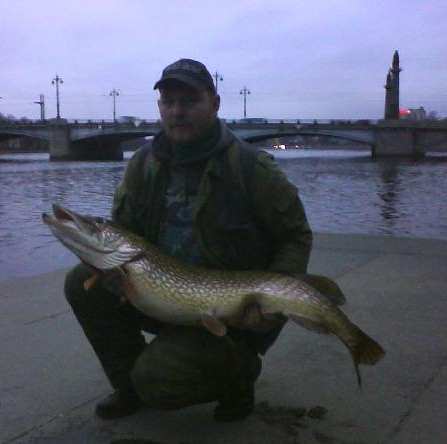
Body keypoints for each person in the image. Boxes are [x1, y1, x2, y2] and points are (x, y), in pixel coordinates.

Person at [64, 58, 312, 422]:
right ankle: (129, 386)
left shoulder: (250, 168)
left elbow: (295, 236)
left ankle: (240, 372)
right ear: (159, 106)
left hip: (231, 315)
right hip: (162, 296)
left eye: (190, 100)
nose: (177, 111)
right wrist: (107, 270)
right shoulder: (142, 165)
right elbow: (122, 232)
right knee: (82, 283)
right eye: (169, 101)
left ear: (215, 104)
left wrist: (272, 300)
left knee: (157, 381)